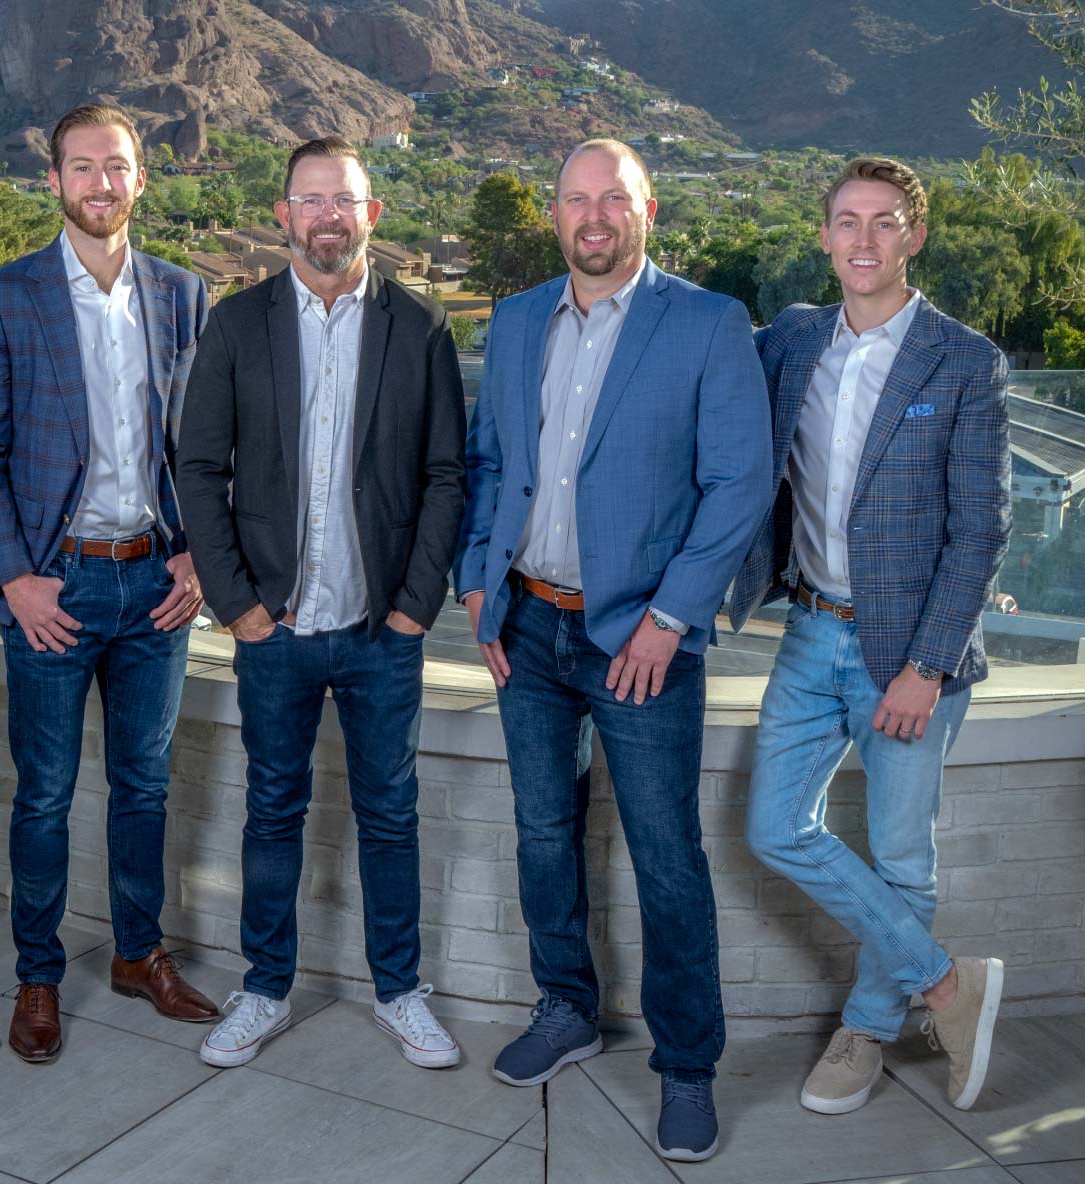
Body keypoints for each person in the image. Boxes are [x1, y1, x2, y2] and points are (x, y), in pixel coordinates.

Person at [453, 138, 772, 1162]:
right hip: (528, 623)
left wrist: (671, 617)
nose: (594, 216)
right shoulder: (513, 319)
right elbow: (490, 460)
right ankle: (566, 1007)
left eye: (614, 199)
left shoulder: (709, 322)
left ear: (648, 209)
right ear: (554, 214)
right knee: (544, 832)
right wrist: (476, 576)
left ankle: (686, 1065)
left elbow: (739, 484)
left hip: (643, 637)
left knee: (666, 857)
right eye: (577, 199)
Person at [176, 135, 467, 1071]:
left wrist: (416, 610)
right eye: (311, 200)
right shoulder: (237, 324)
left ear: (371, 214)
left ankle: (398, 991)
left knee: (389, 814)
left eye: (345, 199)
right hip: (277, 630)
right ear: (283, 216)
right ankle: (264, 990)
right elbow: (200, 469)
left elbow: (446, 477)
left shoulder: (419, 329)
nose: (328, 215)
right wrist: (240, 609)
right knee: (272, 813)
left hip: (383, 632)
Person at [732, 156, 1011, 1115]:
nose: (863, 240)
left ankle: (866, 1030)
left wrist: (927, 667)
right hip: (811, 630)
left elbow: (982, 528)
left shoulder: (963, 358)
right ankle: (944, 983)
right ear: (823, 236)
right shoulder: (793, 343)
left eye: (884, 222)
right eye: (846, 222)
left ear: (914, 235)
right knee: (774, 827)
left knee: (902, 860)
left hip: (910, 655)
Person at [0, 103, 218, 1064]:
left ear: (140, 179)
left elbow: (204, 449)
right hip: (53, 593)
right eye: (81, 167)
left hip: (156, 586)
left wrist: (197, 551)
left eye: (116, 167)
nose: (99, 183)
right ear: (54, 181)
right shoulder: (6, 297)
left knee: (144, 786)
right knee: (45, 794)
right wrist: (15, 577)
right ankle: (38, 973)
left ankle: (140, 955)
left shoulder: (185, 295)